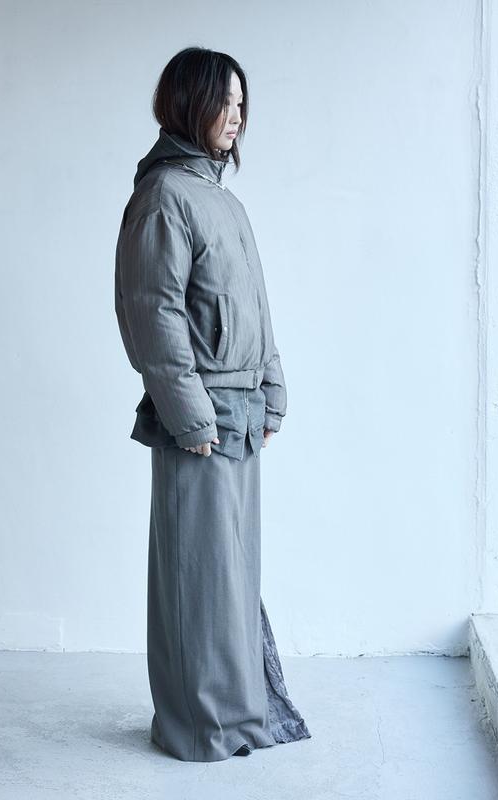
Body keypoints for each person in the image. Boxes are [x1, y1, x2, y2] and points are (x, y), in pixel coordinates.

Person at [114, 46, 311, 763]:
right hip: (201, 416)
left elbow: (252, 305)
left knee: (231, 574)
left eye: (241, 102)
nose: (237, 115)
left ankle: (235, 716)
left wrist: (273, 388)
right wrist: (188, 412)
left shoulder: (222, 199)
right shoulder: (165, 196)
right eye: (224, 101)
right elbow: (153, 311)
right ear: (187, 104)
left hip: (241, 412)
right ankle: (200, 724)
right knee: (197, 574)